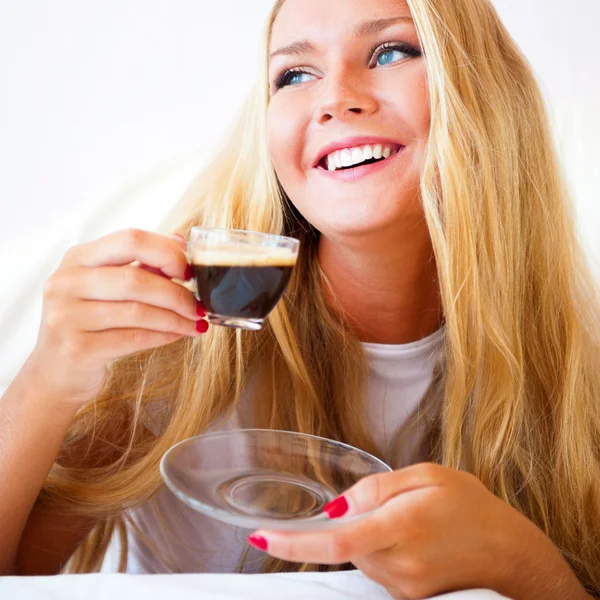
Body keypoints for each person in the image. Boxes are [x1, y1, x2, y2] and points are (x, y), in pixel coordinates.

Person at [1, 0, 599, 598]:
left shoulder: (581, 377)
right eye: (294, 75)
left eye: (391, 52)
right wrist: (48, 380)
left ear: (486, 94)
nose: (336, 98)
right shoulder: (173, 350)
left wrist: (522, 563)